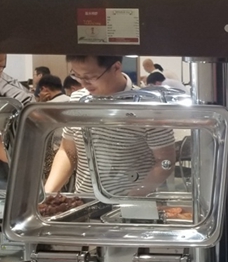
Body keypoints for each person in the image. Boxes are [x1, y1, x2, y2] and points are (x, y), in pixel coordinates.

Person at [44, 55, 175, 197]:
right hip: (85, 200)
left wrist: (131, 198)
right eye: (76, 75)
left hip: (134, 203)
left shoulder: (147, 105)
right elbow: (67, 151)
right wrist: (47, 194)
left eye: (90, 76)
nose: (84, 83)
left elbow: (165, 161)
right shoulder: (78, 99)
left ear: (116, 67)